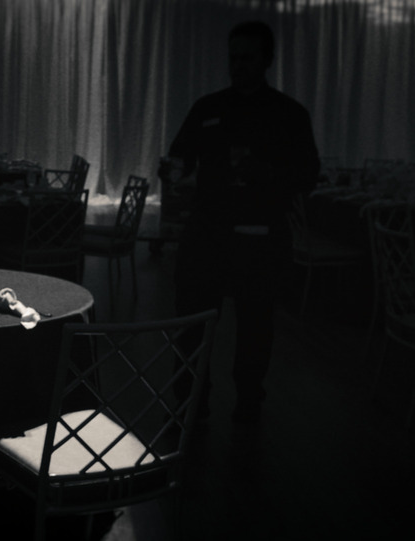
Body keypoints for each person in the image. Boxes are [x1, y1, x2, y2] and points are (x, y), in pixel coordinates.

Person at [158, 21, 320, 424]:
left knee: (255, 328)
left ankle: (249, 404)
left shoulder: (288, 114)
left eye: (246, 57)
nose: (238, 65)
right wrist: (173, 171)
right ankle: (190, 403)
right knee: (192, 324)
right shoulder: (209, 107)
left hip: (261, 238)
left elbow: (308, 176)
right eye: (233, 57)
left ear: (267, 60)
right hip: (207, 232)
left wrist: (264, 172)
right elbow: (181, 156)